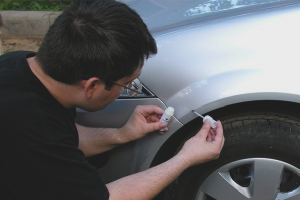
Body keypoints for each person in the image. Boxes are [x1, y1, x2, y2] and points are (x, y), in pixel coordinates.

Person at [0, 0, 225, 199]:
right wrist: (185, 158)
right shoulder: (32, 130)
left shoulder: (20, 64)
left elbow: (64, 136)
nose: (128, 90)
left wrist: (121, 134)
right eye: (126, 84)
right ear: (92, 86)